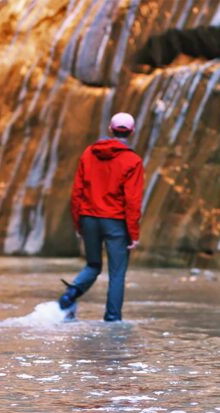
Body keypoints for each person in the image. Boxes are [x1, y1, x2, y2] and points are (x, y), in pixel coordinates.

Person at [58, 112, 144, 321]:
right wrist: (133, 233)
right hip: (116, 222)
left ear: (110, 129)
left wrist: (78, 223)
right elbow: (132, 200)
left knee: (93, 265)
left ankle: (71, 293)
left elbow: (77, 192)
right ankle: (112, 318)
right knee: (117, 273)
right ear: (132, 132)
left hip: (88, 218)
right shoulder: (133, 160)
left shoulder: (89, 153)